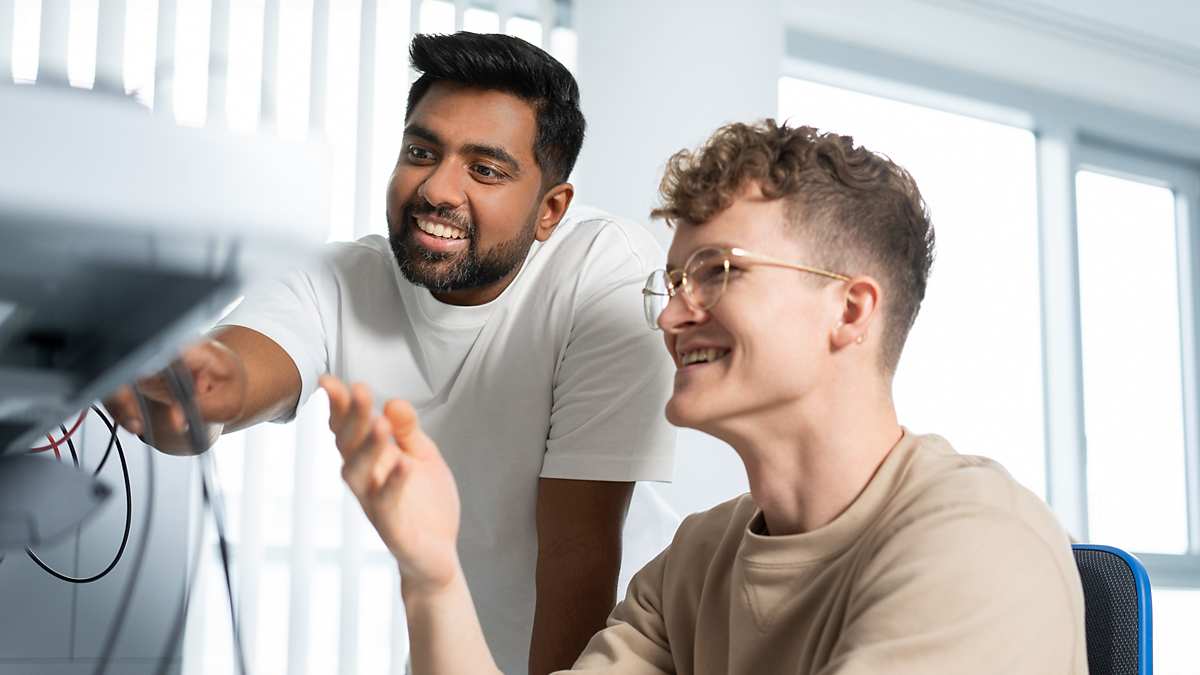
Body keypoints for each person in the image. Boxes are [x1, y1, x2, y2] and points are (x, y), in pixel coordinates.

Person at [326, 119, 1089, 674]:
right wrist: (432, 573)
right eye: (676, 280)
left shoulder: (976, 543)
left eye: (719, 271)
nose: (670, 314)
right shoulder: (696, 561)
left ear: (850, 310)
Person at [103, 33, 676, 674]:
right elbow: (231, 377)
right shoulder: (347, 276)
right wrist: (187, 390)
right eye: (421, 152)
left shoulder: (605, 272)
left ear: (550, 209)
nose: (436, 189)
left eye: (484, 171)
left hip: (618, 655)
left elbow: (578, 548)